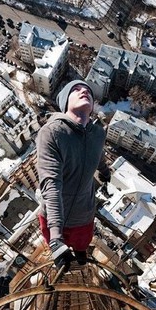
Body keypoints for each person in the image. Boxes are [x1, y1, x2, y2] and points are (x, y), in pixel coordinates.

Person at [36, 80, 110, 269]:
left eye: (87, 91)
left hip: (83, 214)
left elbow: (98, 153)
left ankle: (80, 252)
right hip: (53, 217)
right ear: (65, 102)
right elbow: (51, 184)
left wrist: (104, 170)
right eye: (75, 89)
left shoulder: (98, 134)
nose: (83, 91)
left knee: (81, 246)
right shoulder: (52, 133)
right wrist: (56, 237)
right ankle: (63, 252)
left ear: (92, 106)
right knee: (62, 261)